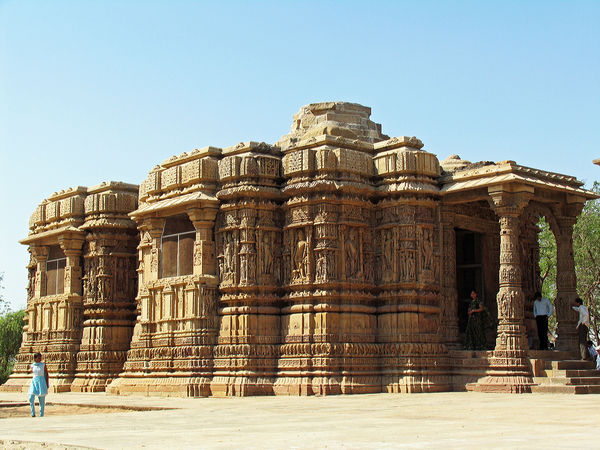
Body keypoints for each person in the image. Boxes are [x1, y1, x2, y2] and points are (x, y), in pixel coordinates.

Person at [28, 352, 49, 417]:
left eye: (40, 358)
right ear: (35, 358)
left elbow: (46, 374)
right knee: (31, 397)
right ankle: (33, 413)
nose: (40, 359)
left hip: (41, 382)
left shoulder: (43, 365)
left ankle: (41, 414)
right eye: (38, 358)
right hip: (34, 382)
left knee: (41, 399)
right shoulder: (32, 365)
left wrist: (46, 383)